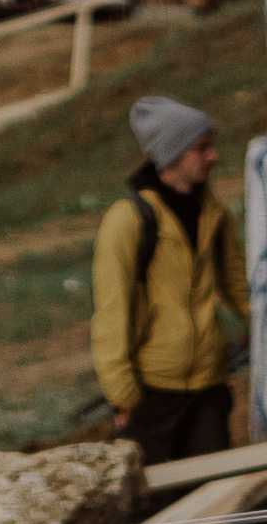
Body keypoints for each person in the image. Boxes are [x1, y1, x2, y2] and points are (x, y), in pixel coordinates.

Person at [90, 94, 250, 469]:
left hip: (210, 387)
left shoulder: (214, 213)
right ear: (172, 153)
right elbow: (111, 314)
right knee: (158, 504)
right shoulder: (128, 221)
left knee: (212, 498)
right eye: (202, 148)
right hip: (153, 392)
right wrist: (123, 395)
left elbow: (239, 287)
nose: (213, 156)